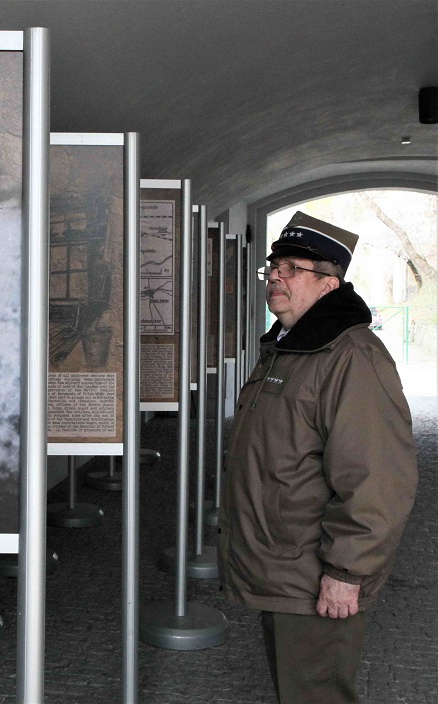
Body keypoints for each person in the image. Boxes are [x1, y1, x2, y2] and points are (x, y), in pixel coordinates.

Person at [218, 211, 418, 703]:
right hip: (284, 567)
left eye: (292, 268)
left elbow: (377, 479)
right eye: (274, 268)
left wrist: (346, 573)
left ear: (330, 284)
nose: (276, 277)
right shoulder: (290, 347)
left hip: (314, 574)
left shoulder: (350, 356)